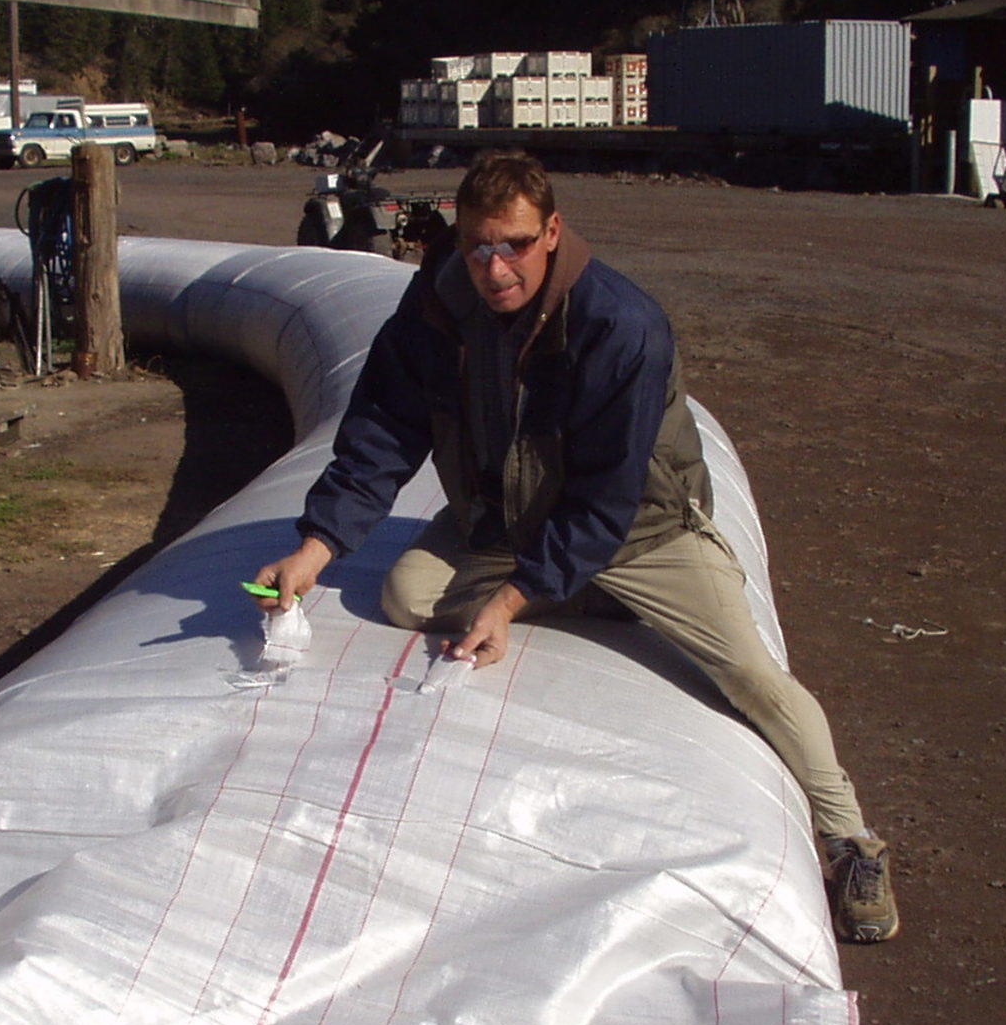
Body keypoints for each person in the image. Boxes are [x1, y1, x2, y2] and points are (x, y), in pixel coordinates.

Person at [252, 150, 898, 944]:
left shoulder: (618, 325)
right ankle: (582, 594)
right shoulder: (437, 308)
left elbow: (604, 497)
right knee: (405, 596)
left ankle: (850, 838)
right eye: (479, 247)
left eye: (515, 245)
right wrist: (316, 548)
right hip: (507, 516)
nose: (496, 269)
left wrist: (511, 600)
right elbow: (383, 428)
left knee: (749, 675)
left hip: (635, 529)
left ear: (551, 233)